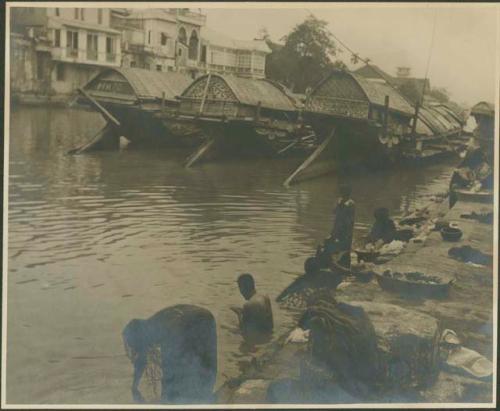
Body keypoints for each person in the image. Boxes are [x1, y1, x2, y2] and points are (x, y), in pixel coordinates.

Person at [122, 305, 217, 404]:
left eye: (137, 347)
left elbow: (169, 375)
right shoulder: (149, 325)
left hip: (195, 321)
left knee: (178, 383)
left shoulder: (162, 333)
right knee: (205, 367)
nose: (140, 351)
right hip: (206, 316)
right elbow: (142, 359)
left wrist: (165, 399)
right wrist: (134, 385)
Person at [231, 273, 273, 343]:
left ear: (242, 288)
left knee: (228, 329)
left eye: (240, 288)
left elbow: (244, 329)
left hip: (257, 340)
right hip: (269, 335)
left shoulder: (248, 305)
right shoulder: (264, 297)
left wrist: (239, 313)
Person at [330, 183, 356, 268]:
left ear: (349, 193)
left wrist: (346, 231)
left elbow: (349, 219)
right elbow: (334, 212)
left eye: (346, 192)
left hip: (346, 229)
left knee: (345, 249)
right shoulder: (339, 201)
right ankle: (335, 264)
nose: (344, 194)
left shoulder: (351, 203)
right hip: (337, 227)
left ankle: (345, 266)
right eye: (342, 192)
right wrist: (338, 205)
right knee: (335, 248)